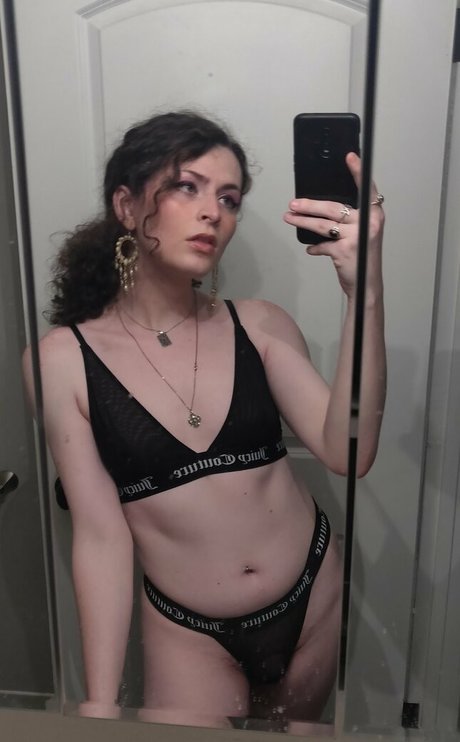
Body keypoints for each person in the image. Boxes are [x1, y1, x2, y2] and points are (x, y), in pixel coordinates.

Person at [23, 110, 385, 730]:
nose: (213, 212)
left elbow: (350, 454)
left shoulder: (260, 325)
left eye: (229, 198)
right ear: (127, 205)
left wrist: (365, 294)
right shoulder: (62, 360)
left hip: (312, 598)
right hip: (187, 630)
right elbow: (102, 538)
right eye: (186, 187)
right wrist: (98, 707)